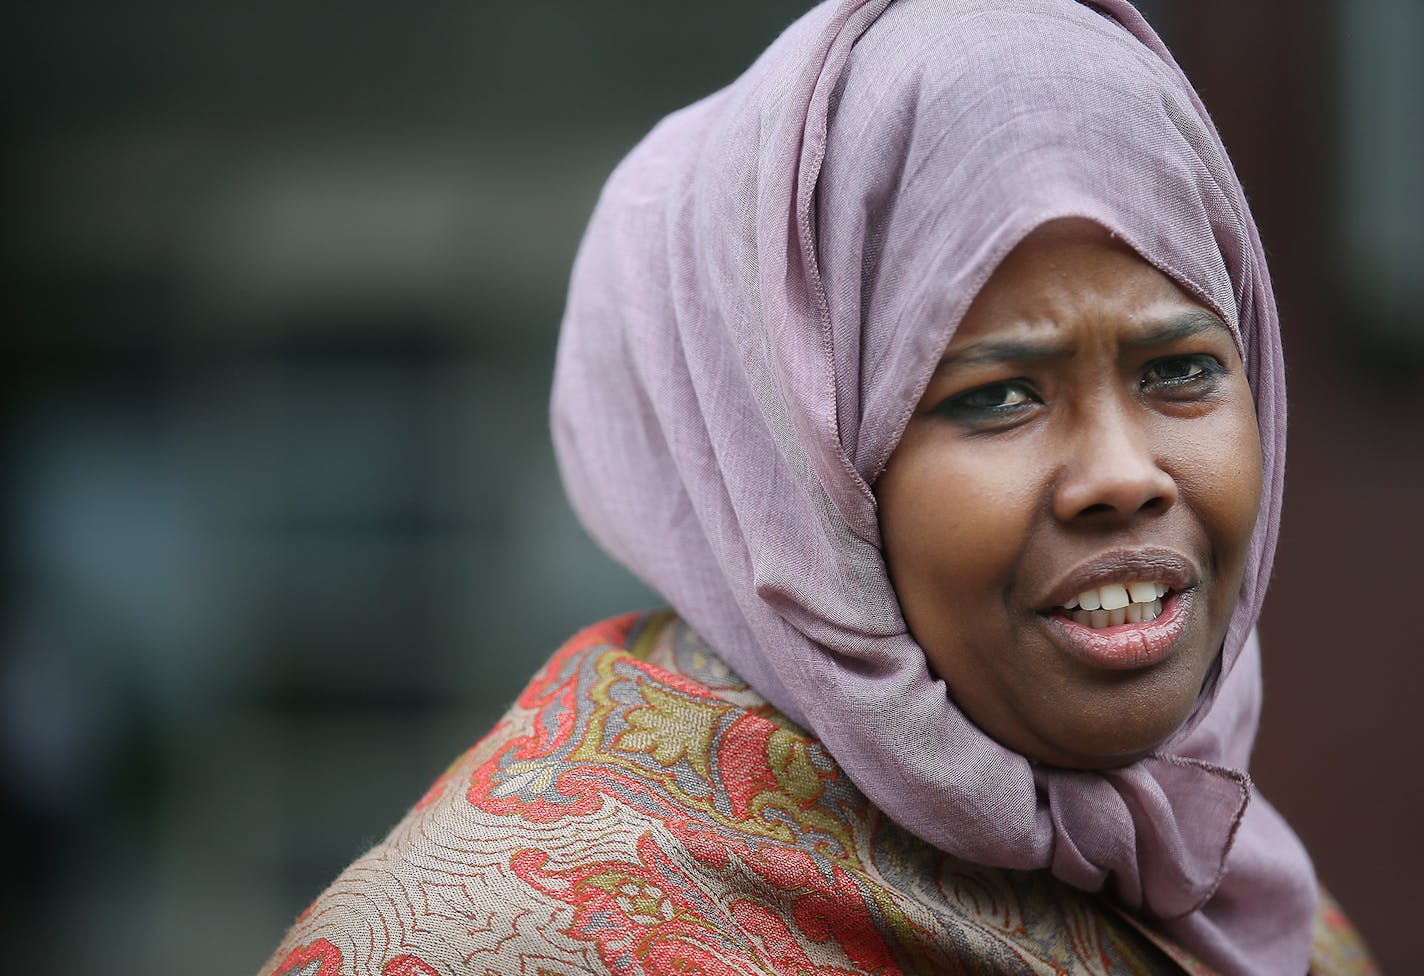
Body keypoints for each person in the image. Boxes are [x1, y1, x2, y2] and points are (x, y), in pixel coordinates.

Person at [258, 1, 1378, 973]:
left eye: (1178, 370)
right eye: (994, 396)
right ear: (787, 460)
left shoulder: (1244, 907)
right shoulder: (504, 942)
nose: (1122, 477)